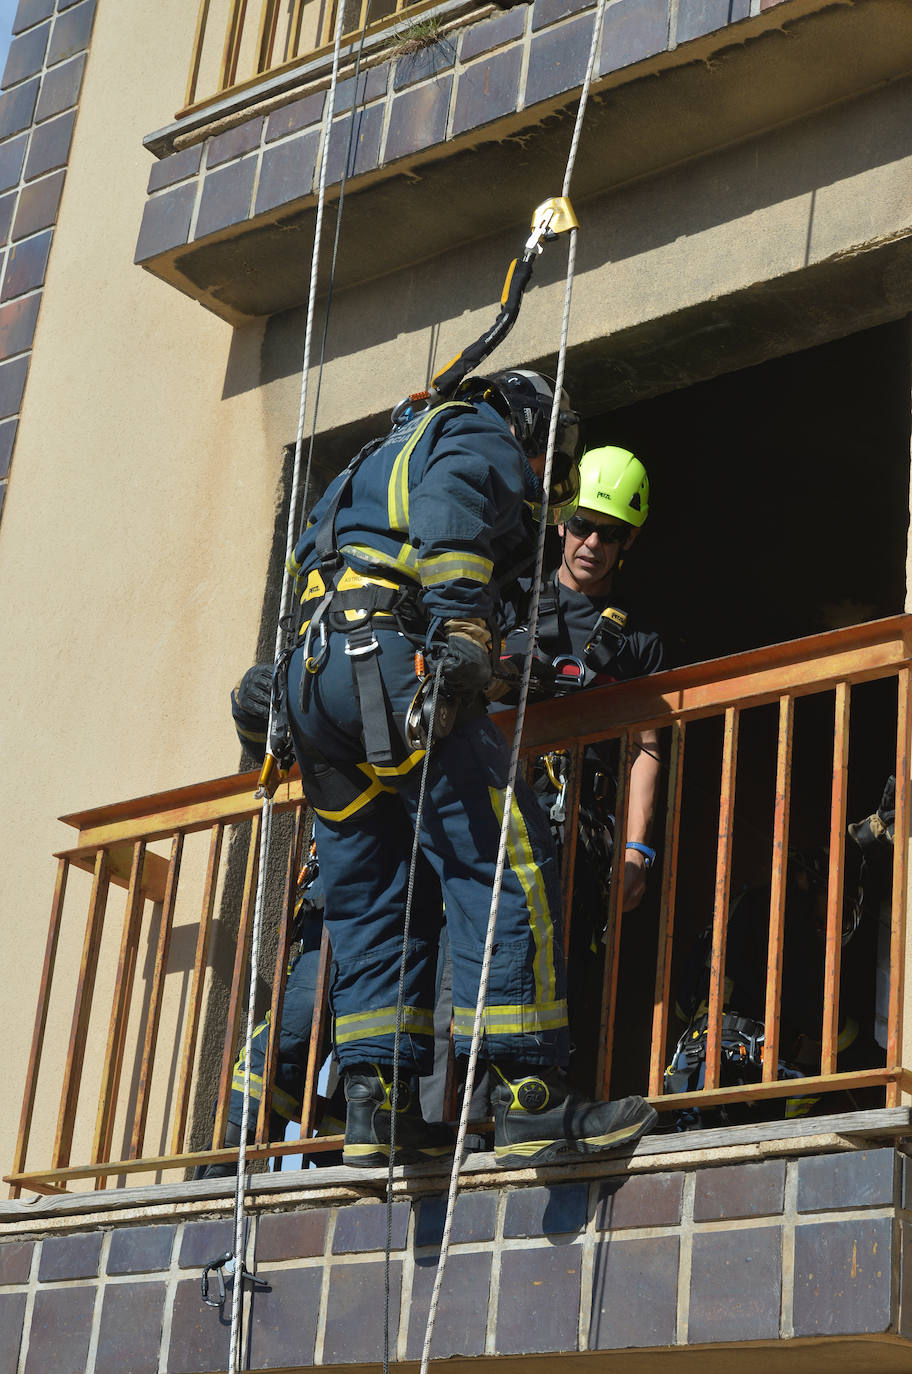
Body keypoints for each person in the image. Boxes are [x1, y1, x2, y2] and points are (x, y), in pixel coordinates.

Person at [282, 368, 657, 1168]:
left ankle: (374, 1105)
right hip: (382, 665)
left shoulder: (371, 459)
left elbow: (315, 562)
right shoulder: (474, 432)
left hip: (314, 686)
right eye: (547, 475)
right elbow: (455, 510)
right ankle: (530, 1099)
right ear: (529, 428)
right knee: (505, 860)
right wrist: (461, 628)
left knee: (375, 891)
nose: (535, 493)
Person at [500, 445, 664, 1088]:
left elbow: (647, 747)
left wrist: (637, 851)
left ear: (628, 545)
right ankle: (473, 1108)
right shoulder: (512, 606)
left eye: (611, 534)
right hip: (500, 813)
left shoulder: (638, 641)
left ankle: (544, 1096)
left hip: (581, 829)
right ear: (561, 523)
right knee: (487, 956)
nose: (593, 542)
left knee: (565, 966)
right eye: (583, 525)